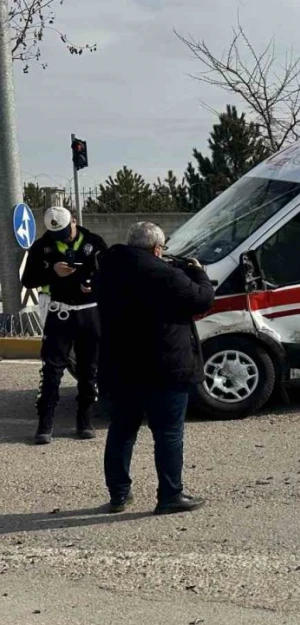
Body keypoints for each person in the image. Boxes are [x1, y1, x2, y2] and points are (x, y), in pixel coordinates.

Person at [95, 222, 215, 515]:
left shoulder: (107, 270)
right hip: (164, 367)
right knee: (168, 433)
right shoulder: (164, 274)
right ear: (158, 249)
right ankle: (170, 495)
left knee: (122, 431)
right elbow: (202, 298)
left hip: (120, 366)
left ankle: (119, 495)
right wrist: (197, 271)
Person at [20, 206, 108, 444]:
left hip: (89, 314)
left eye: (67, 232)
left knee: (89, 370)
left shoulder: (94, 242)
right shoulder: (41, 246)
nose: (64, 238)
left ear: (74, 221)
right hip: (59, 314)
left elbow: (110, 275)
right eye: (58, 235)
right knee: (51, 371)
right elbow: (27, 280)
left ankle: (84, 421)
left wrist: (94, 285)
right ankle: (45, 425)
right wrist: (52, 273)